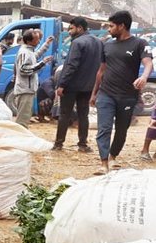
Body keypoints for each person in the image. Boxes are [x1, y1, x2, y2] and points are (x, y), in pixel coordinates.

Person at [90, 10, 153, 175]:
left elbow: (148, 64)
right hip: (106, 93)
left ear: (122, 26)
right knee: (104, 128)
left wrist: (144, 77)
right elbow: (101, 71)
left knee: (121, 130)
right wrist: (94, 93)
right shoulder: (107, 45)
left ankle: (112, 156)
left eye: (111, 26)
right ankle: (103, 163)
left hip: (127, 96)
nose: (109, 29)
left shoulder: (139, 44)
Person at [53, 17, 103, 152]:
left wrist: (62, 84)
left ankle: (58, 144)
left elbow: (71, 65)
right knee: (83, 115)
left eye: (71, 28)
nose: (69, 32)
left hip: (71, 85)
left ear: (80, 28)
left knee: (64, 114)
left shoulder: (77, 42)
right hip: (88, 86)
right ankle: (82, 144)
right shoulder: (98, 42)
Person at [13, 29, 53, 128]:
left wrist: (46, 44)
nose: (39, 41)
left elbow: (36, 55)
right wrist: (42, 63)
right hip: (25, 89)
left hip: (27, 89)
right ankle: (19, 139)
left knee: (24, 117)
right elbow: (23, 70)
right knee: (22, 120)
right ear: (29, 41)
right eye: (37, 39)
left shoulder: (28, 51)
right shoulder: (24, 52)